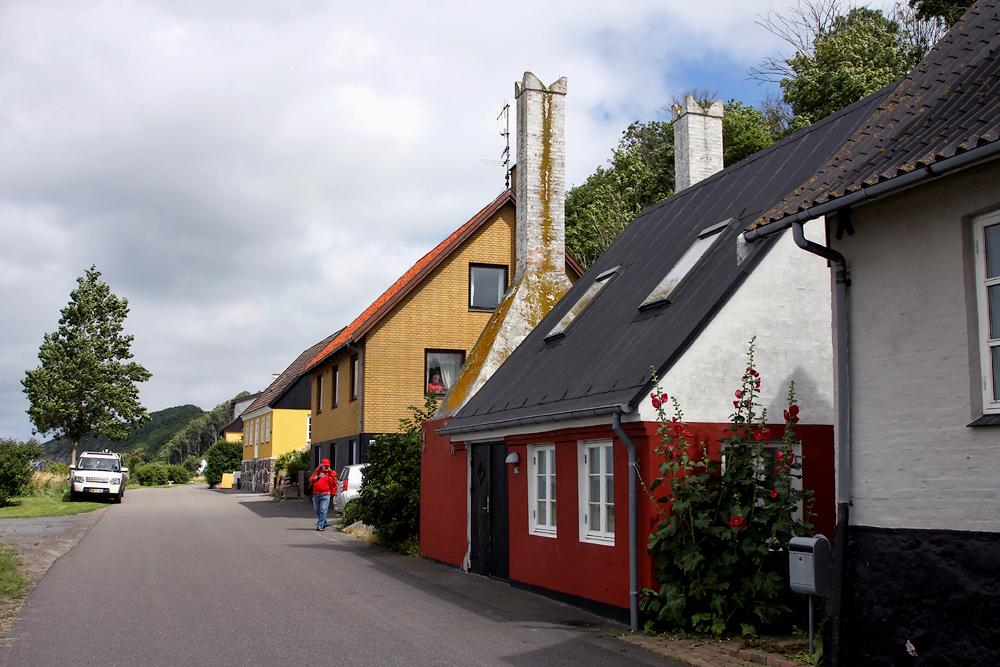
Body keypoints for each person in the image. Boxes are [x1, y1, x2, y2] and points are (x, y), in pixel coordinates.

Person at [309, 459, 337, 531]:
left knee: (323, 510)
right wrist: (314, 478)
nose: (326, 467)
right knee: (317, 509)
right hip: (316, 493)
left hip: (326, 494)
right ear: (321, 465)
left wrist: (333, 493)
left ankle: (320, 525)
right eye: (325, 466)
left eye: (327, 466)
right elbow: (311, 478)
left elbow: (334, 484)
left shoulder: (332, 473)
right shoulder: (318, 470)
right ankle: (325, 522)